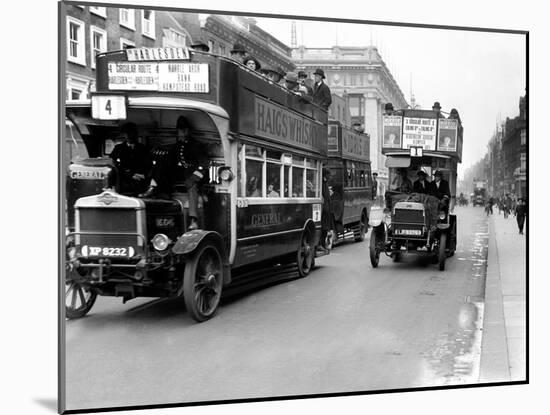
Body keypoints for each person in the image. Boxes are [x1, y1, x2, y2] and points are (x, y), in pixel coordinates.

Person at [140, 116, 207, 231]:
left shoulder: (197, 146)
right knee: (161, 163)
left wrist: (194, 177)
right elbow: (169, 160)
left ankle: (193, 219)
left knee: (192, 185)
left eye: (184, 130)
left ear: (188, 131)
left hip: (194, 174)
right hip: (181, 174)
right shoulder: (177, 146)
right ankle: (153, 187)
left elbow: (204, 165)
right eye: (180, 130)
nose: (182, 132)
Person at [110, 122, 151, 195]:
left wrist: (142, 174)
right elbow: (112, 163)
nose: (129, 136)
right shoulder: (118, 148)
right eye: (127, 133)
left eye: (131, 133)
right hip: (123, 180)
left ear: (136, 134)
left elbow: (148, 165)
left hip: (140, 180)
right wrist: (130, 174)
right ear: (124, 135)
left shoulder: (144, 148)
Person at [320, 167, 334, 251]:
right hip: (324, 210)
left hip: (327, 209)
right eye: (328, 175)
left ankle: (323, 244)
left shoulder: (325, 183)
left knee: (326, 228)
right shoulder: (322, 183)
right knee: (323, 228)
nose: (330, 177)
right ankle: (321, 244)